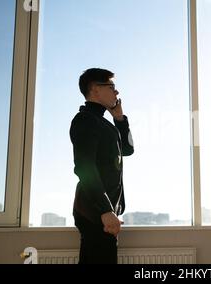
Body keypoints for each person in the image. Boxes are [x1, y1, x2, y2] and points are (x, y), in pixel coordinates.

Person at [70, 68, 134, 264]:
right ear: (95, 89)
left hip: (104, 211)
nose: (117, 92)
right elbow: (84, 167)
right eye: (112, 86)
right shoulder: (85, 120)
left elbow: (128, 149)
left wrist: (120, 119)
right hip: (95, 211)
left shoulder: (106, 125)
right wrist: (105, 210)